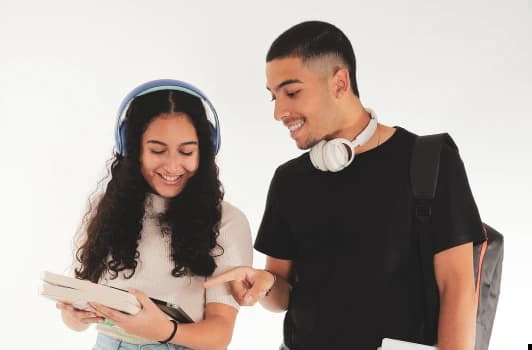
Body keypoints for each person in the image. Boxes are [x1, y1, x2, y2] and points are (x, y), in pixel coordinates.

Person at [204, 21, 485, 350]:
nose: (279, 112)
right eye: (274, 97)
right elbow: (281, 294)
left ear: (339, 83)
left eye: (292, 92)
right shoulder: (290, 180)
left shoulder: (430, 162)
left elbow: (459, 289)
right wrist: (265, 285)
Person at [56, 79, 253, 350]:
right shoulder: (105, 208)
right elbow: (77, 317)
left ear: (204, 152)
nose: (172, 166)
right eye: (157, 150)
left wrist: (165, 330)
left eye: (186, 151)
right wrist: (74, 316)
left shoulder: (227, 222)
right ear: (133, 149)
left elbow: (220, 335)